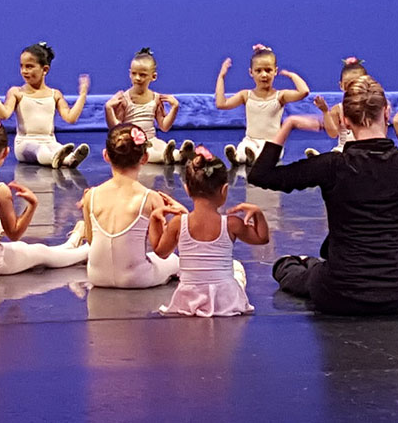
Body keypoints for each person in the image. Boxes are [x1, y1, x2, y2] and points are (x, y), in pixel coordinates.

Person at [249, 75, 398, 315]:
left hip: (340, 292)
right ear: (387, 113)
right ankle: (312, 264)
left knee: (287, 266)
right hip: (394, 294)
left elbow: (261, 175)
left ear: (345, 121)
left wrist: (289, 125)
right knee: (317, 268)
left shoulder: (333, 166)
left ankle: (301, 262)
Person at [0, 115, 88, 275]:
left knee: (24, 248)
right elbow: (14, 234)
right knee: (41, 252)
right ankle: (86, 250)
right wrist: (32, 205)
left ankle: (71, 243)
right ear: (5, 153)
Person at [153, 146, 267, 316]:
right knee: (237, 268)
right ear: (224, 190)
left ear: (186, 189)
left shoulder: (178, 223)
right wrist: (258, 214)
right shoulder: (231, 224)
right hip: (226, 299)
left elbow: (160, 252)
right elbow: (261, 238)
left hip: (189, 297)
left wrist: (155, 219)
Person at [81, 124, 184, 288]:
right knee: (174, 260)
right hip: (136, 278)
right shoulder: (150, 198)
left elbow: (92, 241)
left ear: (106, 156)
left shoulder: (90, 196)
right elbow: (162, 252)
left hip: (96, 276)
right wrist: (180, 219)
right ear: (145, 158)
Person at [0, 42, 90, 168]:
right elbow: (3, 114)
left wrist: (82, 95)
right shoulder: (17, 92)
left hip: (49, 141)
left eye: (29, 67)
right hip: (25, 144)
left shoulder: (55, 94)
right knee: (40, 149)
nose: (24, 71)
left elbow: (71, 118)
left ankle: (69, 159)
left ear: (45, 69)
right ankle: (57, 157)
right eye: (22, 66)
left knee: (57, 146)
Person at [215, 44, 310, 166]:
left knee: (267, 154)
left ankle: (251, 158)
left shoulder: (280, 96)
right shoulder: (246, 95)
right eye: (258, 71)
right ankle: (240, 157)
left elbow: (304, 91)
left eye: (268, 70)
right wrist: (221, 77)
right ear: (251, 72)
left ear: (275, 71)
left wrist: (291, 75)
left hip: (272, 143)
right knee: (244, 148)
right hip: (250, 140)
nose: (264, 75)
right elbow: (221, 104)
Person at [105, 47, 192, 164]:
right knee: (147, 153)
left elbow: (164, 126)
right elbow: (116, 129)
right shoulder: (124, 99)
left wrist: (175, 108)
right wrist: (108, 109)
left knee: (161, 146)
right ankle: (167, 156)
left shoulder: (156, 98)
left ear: (153, 77)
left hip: (151, 139)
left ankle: (178, 154)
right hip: (133, 143)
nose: (137, 78)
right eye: (134, 74)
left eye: (142, 75)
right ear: (129, 74)